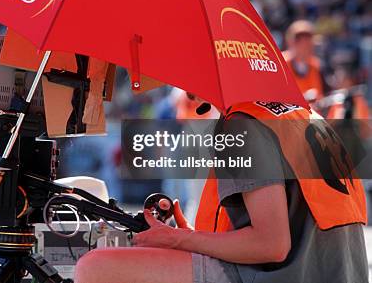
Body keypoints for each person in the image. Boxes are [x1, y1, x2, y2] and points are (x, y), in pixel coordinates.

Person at [74, 99, 368, 283]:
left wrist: (178, 238)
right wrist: (190, 238)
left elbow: (272, 245)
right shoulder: (305, 114)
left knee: (94, 266)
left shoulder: (240, 123)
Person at [282, 20, 328, 101]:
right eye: (299, 40)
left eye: (308, 40)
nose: (304, 45)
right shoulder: (281, 64)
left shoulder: (317, 66)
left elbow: (325, 95)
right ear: (290, 42)